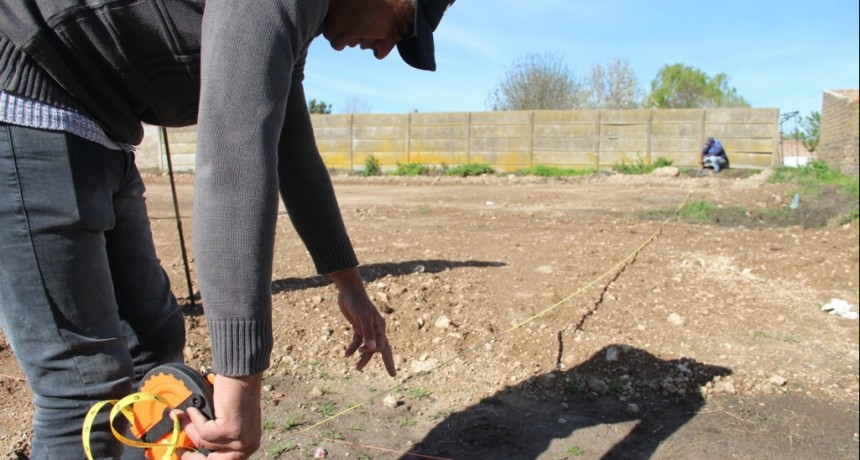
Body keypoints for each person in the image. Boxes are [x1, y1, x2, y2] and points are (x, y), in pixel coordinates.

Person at [0, 0, 456, 458]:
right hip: (27, 99)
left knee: (153, 347)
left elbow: (292, 152)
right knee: (84, 388)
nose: (384, 51)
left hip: (101, 126)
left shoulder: (299, 29)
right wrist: (240, 382)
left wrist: (350, 285)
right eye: (401, 26)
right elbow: (234, 155)